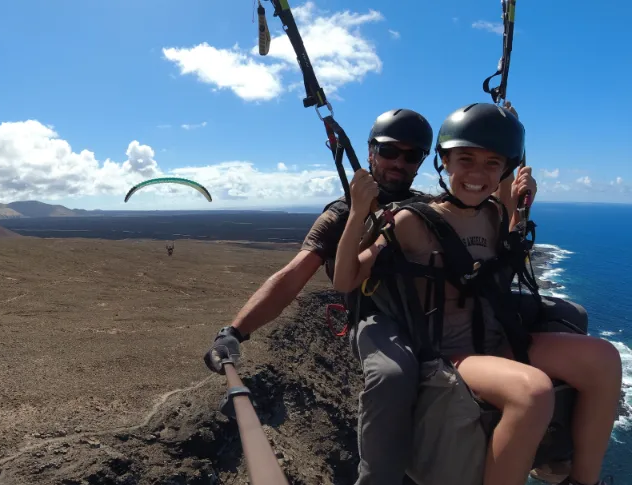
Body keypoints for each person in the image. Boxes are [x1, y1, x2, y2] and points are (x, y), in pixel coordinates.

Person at [203, 108, 589, 485]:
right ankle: (380, 477)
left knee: (568, 315)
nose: (399, 163)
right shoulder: (341, 214)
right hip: (380, 314)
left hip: (439, 305)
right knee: (393, 373)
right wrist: (236, 331)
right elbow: (292, 277)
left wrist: (505, 131)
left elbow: (491, 218)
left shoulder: (428, 204)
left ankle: (555, 448)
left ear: (425, 160)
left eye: (411, 155)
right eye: (389, 151)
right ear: (371, 152)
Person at [332, 102, 622, 485]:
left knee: (604, 358)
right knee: (531, 392)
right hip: (449, 351)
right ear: (445, 163)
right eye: (465, 160)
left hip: (496, 337)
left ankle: (583, 480)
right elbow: (346, 279)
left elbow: (506, 252)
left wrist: (520, 199)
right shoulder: (409, 221)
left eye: (491, 163)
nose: (477, 174)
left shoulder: (494, 214)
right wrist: (356, 214)